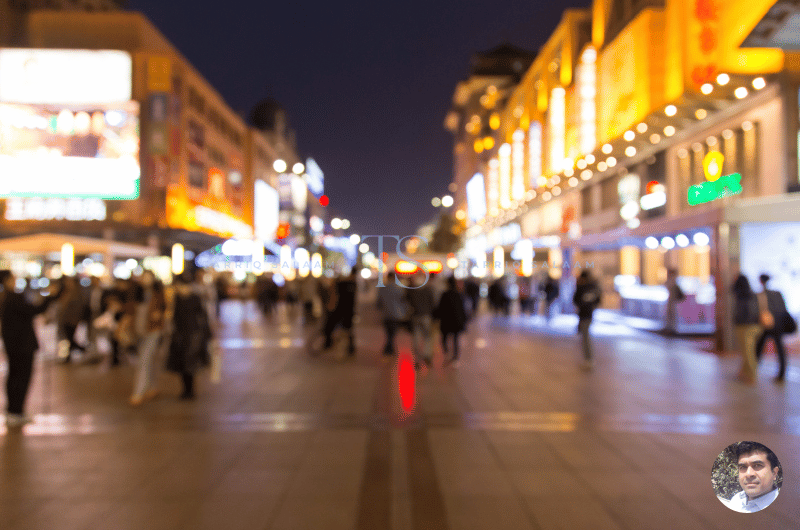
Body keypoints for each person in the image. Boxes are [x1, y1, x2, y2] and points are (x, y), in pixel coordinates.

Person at [0, 270, 56, 427]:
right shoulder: (13, 297)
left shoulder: (5, 297)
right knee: (21, 378)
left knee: (14, 377)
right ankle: (16, 411)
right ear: (7, 280)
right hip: (22, 345)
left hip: (13, 344)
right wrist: (49, 297)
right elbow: (34, 310)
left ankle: (13, 410)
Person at [166, 273, 212, 400]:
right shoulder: (177, 298)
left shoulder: (195, 298)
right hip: (179, 335)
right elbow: (175, 318)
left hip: (193, 335)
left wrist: (207, 334)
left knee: (190, 363)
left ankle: (190, 390)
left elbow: (203, 317)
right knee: (181, 364)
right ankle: (185, 390)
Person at [130, 273, 166, 406]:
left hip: (153, 330)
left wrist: (159, 316)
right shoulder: (135, 292)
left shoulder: (158, 293)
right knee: (148, 359)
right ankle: (152, 387)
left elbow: (164, 308)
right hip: (138, 330)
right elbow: (129, 309)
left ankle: (138, 392)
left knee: (143, 361)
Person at [719, 441, 781, 513]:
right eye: (743, 467)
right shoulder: (737, 499)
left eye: (757, 465)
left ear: (774, 473)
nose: (748, 474)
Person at [755, 274, 790, 384]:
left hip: (768, 325)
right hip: (778, 325)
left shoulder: (761, 294)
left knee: (759, 348)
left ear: (761, 281)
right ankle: (782, 373)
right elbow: (784, 309)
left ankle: (753, 370)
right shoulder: (777, 293)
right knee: (779, 348)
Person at [731, 274, 761, 385]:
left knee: (748, 352)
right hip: (753, 326)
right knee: (747, 351)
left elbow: (747, 312)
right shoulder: (751, 294)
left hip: (745, 326)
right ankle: (743, 372)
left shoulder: (742, 295)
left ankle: (752, 375)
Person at [572, 270, 602, 371]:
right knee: (585, 335)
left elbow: (575, 300)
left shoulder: (582, 287)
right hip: (589, 314)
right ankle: (588, 359)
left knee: (585, 337)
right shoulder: (594, 287)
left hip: (584, 315)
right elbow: (598, 300)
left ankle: (589, 359)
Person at [436, 276, 467, 367]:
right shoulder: (460, 294)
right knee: (456, 340)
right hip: (456, 321)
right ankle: (455, 358)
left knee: (444, 338)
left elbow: (440, 308)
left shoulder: (444, 294)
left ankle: (446, 353)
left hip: (446, 321)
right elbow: (463, 310)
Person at [55, 275, 88, 363]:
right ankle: (69, 356)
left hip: (71, 320)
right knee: (68, 338)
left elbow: (78, 308)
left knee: (70, 339)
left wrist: (76, 319)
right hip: (65, 319)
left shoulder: (77, 294)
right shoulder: (66, 292)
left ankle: (82, 349)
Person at [406, 271, 435, 368]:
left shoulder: (413, 290)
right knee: (427, 337)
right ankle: (427, 355)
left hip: (416, 316)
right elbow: (432, 303)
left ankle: (418, 359)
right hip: (426, 316)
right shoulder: (428, 289)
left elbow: (408, 302)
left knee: (416, 338)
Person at [377, 272, 409, 357]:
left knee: (389, 332)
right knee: (393, 332)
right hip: (397, 314)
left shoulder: (383, 288)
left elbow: (379, 302)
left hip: (386, 313)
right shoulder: (400, 288)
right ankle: (389, 348)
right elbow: (404, 300)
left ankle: (389, 348)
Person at [326, 269, 357, 357]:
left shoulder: (345, 284)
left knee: (345, 330)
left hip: (342, 311)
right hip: (345, 312)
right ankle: (349, 348)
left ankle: (329, 343)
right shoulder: (351, 284)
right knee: (348, 330)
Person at [664, 268, 685, 334]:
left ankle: (672, 328)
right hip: (670, 300)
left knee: (672, 314)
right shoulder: (671, 281)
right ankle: (669, 328)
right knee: (670, 314)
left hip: (673, 301)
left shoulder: (674, 282)